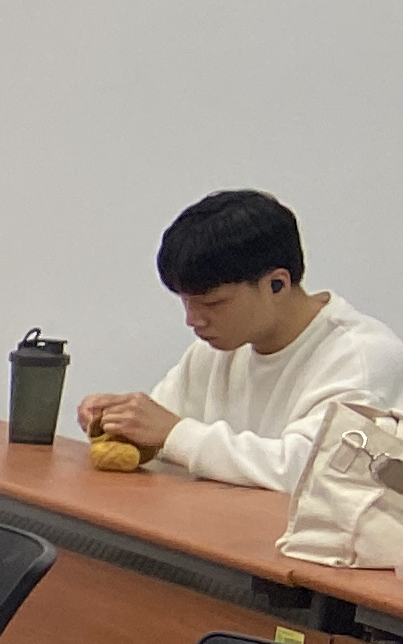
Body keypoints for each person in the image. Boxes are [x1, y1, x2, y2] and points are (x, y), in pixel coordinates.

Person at [78, 188, 403, 490]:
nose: (193, 320)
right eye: (185, 302)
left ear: (277, 284)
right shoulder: (215, 350)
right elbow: (160, 434)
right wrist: (119, 423)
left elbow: (314, 473)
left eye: (212, 303)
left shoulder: (364, 357)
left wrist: (174, 434)